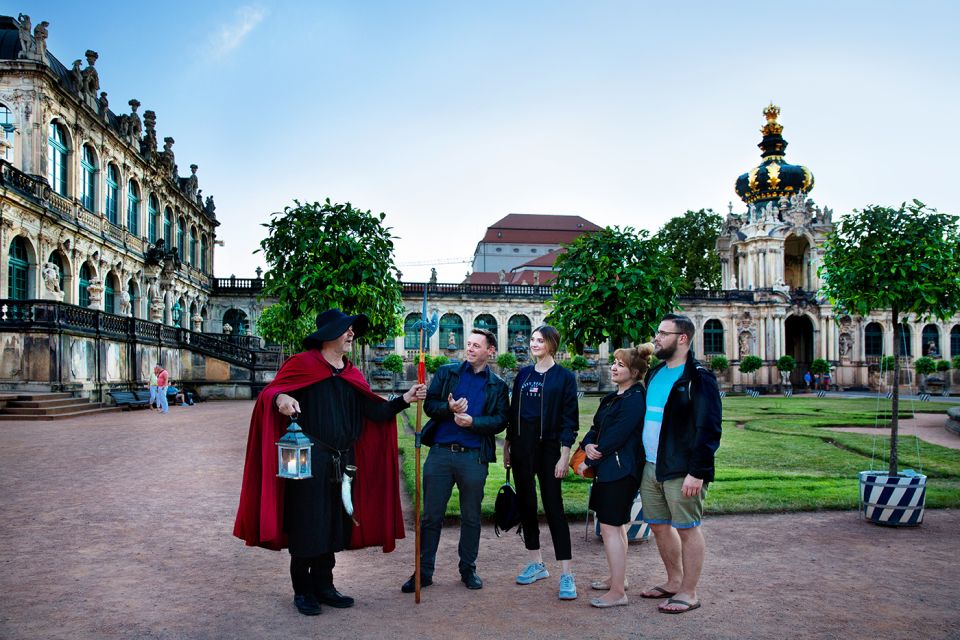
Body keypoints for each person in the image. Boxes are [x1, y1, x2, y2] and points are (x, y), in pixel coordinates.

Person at [234, 309, 426, 616]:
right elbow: (270, 393)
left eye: (352, 330)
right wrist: (280, 399)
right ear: (328, 335)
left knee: (335, 523)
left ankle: (325, 585)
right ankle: (303, 591)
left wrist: (405, 399)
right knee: (307, 523)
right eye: (346, 330)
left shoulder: (351, 372)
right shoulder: (302, 364)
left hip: (343, 460)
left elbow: (374, 412)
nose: (352, 334)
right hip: (308, 460)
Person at [401, 328, 509, 593]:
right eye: (468, 344)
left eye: (476, 345)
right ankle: (423, 572)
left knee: (471, 518)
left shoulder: (498, 385)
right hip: (439, 455)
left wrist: (473, 422)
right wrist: (448, 409)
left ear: (490, 351)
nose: (470, 348)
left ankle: (468, 570)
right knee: (430, 517)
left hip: (473, 458)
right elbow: (429, 406)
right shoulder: (448, 373)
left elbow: (499, 420)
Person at [640, 314, 721, 614]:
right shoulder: (656, 373)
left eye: (663, 333)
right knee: (659, 527)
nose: (656, 338)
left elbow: (709, 428)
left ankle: (689, 592)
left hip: (682, 467)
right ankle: (674, 581)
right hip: (651, 465)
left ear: (682, 339)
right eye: (657, 332)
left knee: (687, 528)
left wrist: (697, 472)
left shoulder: (699, 377)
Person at [504, 325, 579, 600]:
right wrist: (508, 446)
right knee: (527, 505)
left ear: (551, 344)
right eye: (532, 340)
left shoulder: (564, 377)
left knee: (554, 507)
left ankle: (567, 574)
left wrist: (565, 453)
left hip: (549, 449)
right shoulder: (523, 375)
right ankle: (537, 563)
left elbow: (570, 419)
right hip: (523, 448)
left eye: (539, 340)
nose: (534, 344)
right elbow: (514, 414)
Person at [576, 344, 652, 608]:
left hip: (621, 470)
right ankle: (618, 579)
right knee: (615, 526)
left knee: (610, 526)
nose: (614, 367)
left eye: (620, 364)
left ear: (634, 372)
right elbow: (596, 428)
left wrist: (588, 459)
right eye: (614, 362)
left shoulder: (635, 399)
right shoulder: (612, 398)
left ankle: (618, 592)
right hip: (609, 469)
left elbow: (616, 436)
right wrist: (587, 444)